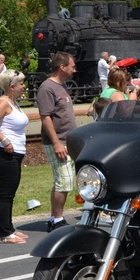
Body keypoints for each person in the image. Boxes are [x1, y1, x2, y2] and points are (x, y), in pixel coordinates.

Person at [0, 69, 31, 243]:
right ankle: (4, 234)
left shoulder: (13, 102)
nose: (24, 86)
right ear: (12, 86)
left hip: (13, 154)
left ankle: (8, 228)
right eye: (21, 83)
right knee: (4, 194)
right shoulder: (3, 103)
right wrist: (5, 141)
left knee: (9, 193)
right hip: (1, 154)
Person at [37, 51, 77, 232]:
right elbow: (45, 118)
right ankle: (58, 220)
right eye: (72, 66)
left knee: (61, 180)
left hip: (66, 140)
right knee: (65, 181)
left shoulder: (61, 86)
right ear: (62, 67)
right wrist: (56, 143)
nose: (74, 70)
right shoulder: (47, 88)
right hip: (58, 141)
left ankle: (54, 218)